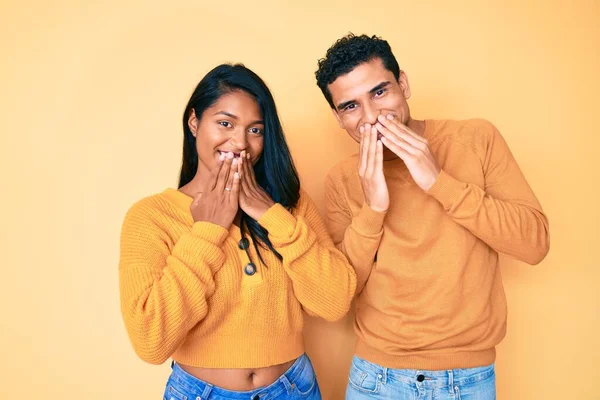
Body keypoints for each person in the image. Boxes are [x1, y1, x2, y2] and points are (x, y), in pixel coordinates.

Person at [314, 34, 550, 399]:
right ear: (338, 117)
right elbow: (339, 295)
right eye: (351, 106)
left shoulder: (475, 139)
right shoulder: (342, 179)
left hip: (469, 379)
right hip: (376, 379)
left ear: (403, 84)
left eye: (380, 92)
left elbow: (534, 243)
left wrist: (439, 182)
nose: (372, 116)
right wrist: (373, 209)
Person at [119, 63, 357, 400]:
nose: (240, 142)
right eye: (225, 123)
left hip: (294, 388)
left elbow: (334, 303)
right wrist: (207, 231)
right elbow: (150, 341)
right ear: (193, 122)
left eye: (255, 130)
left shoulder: (290, 204)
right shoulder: (151, 216)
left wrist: (271, 213)